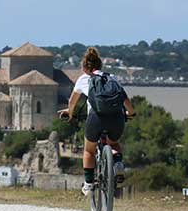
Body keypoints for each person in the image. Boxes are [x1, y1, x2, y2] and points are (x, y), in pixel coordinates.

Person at [58, 47, 136, 196]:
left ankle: (88, 184)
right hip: (116, 117)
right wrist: (130, 113)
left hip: (96, 117)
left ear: (83, 68)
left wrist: (69, 113)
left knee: (88, 150)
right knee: (114, 143)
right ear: (100, 65)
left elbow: (72, 102)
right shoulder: (112, 77)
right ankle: (118, 163)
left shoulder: (83, 80)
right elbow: (124, 99)